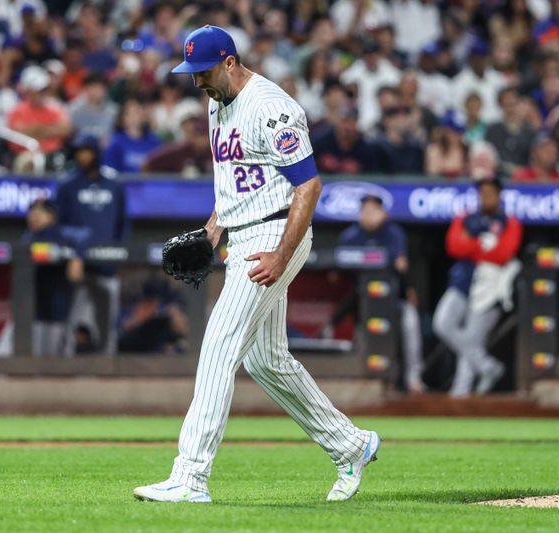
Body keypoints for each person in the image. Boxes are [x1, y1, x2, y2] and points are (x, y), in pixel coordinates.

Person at [133, 25, 380, 505]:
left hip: (274, 232)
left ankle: (191, 477)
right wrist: (211, 229)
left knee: (219, 344)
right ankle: (351, 444)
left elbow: (308, 186)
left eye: (202, 72)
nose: (196, 82)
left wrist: (281, 253)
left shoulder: (272, 108)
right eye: (190, 73)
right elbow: (233, 180)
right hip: (241, 231)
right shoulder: (214, 101)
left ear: (229, 62)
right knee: (266, 360)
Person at [432, 178, 522, 398]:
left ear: (499, 196)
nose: (486, 197)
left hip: (489, 289)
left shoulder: (510, 223)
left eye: (490, 193)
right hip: (462, 283)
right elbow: (453, 247)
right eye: (483, 193)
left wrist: (471, 244)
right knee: (441, 324)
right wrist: (482, 244)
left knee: (472, 338)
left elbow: (503, 254)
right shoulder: (465, 219)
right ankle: (488, 367)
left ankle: (460, 394)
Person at [334, 194, 425, 394]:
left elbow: (401, 265)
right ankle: (362, 379)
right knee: (359, 331)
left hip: (394, 297)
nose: (370, 215)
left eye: (374, 210)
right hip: (361, 300)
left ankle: (413, 378)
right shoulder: (351, 235)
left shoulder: (393, 233)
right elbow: (340, 266)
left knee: (410, 324)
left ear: (383, 213)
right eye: (365, 211)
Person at [55, 134, 128, 356]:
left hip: (107, 266)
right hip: (78, 265)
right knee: (70, 321)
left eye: (86, 151)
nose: (82, 156)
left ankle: (108, 366)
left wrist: (118, 253)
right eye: (79, 151)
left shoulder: (114, 184)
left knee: (107, 322)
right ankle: (64, 366)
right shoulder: (68, 184)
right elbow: (60, 223)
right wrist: (71, 254)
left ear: (96, 153)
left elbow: (123, 222)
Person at [0, 198, 83, 357]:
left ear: (52, 216)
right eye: (32, 211)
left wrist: (76, 255)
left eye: (40, 212)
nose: (34, 215)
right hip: (30, 311)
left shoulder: (64, 237)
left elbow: (77, 248)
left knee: (55, 360)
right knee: (5, 353)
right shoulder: (28, 237)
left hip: (54, 313)